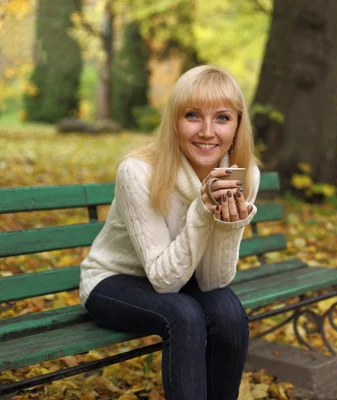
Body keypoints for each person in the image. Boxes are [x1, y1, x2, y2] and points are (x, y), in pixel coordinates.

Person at [79, 65, 261, 400]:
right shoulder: (139, 172)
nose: (207, 131)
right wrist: (203, 211)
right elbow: (165, 281)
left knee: (229, 314)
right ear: (174, 121)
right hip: (114, 280)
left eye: (222, 118)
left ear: (237, 125)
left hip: (183, 275)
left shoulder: (244, 176)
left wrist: (229, 225)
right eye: (193, 115)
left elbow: (213, 281)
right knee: (185, 315)